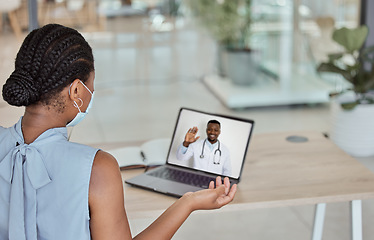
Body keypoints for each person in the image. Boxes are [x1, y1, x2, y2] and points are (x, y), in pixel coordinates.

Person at [0, 24, 237, 240]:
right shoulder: (97, 169)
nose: (92, 90)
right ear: (75, 91)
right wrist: (188, 202)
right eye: (91, 84)